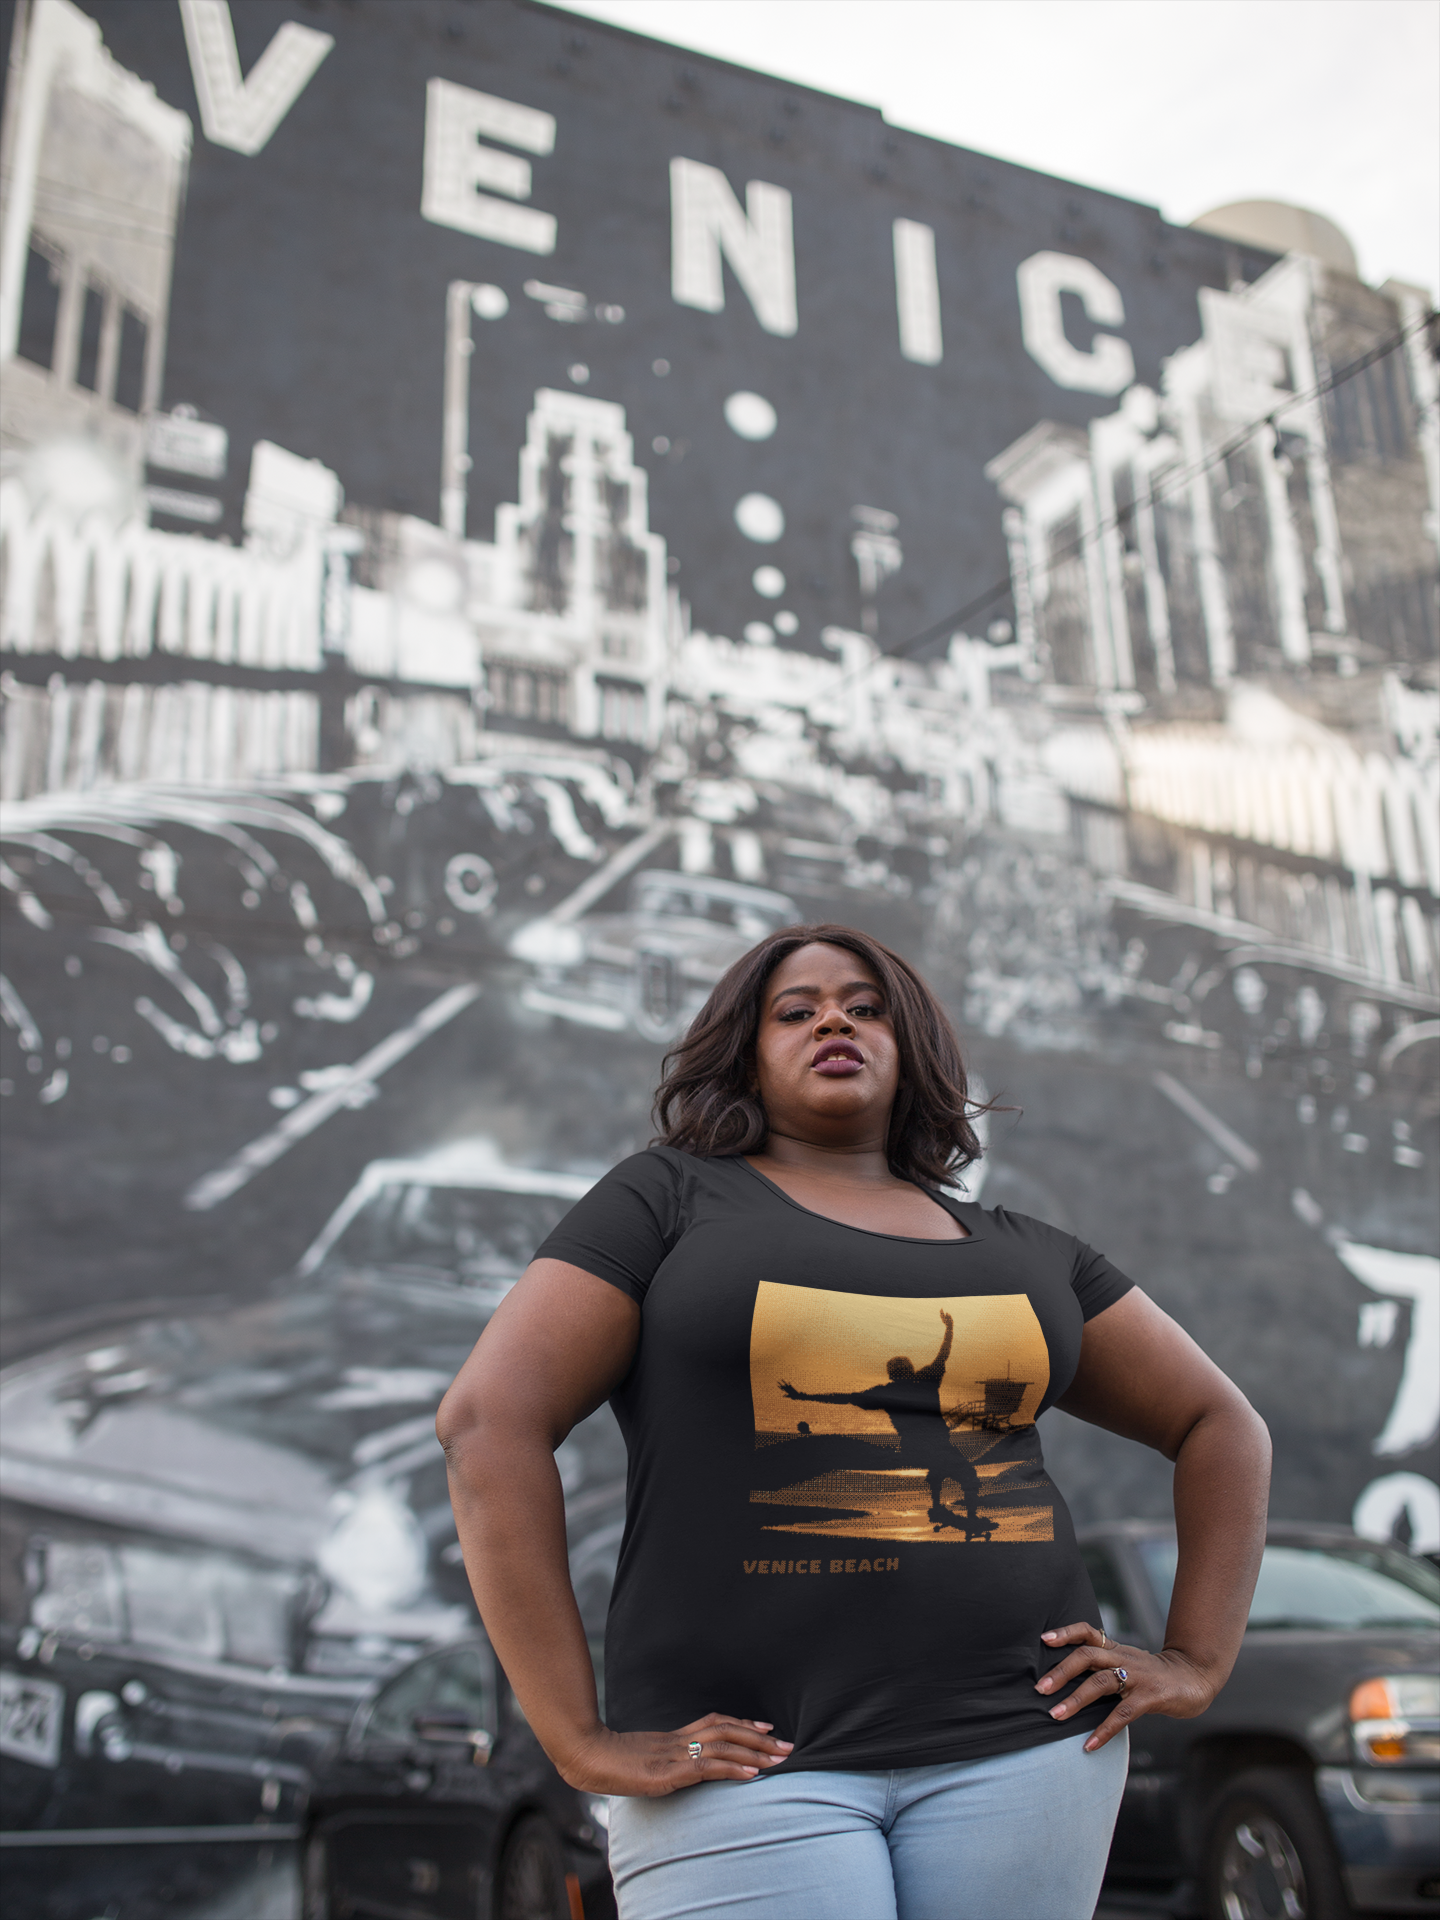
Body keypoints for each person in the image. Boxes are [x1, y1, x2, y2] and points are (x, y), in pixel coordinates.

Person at [438, 925, 1270, 1920]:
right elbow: (488, 1422)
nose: (833, 1018)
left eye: (865, 1006)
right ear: (746, 1052)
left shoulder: (1030, 1253)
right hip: (746, 1766)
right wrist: (576, 1736)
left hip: (1031, 1751)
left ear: (910, 1046)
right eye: (795, 1010)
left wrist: (1196, 1660)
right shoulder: (664, 1201)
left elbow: (1221, 1424)